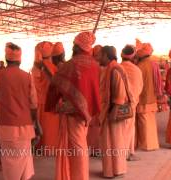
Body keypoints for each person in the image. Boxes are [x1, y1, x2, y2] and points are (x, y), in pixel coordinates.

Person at [45, 32, 100, 180]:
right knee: (80, 144)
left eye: (74, 45)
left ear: (77, 47)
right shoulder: (95, 64)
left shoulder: (70, 64)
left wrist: (53, 104)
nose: (72, 47)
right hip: (87, 111)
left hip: (72, 111)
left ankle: (78, 177)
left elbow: (55, 85)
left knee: (77, 147)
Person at [0, 42, 42, 180]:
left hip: (6, 124)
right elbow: (34, 103)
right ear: (20, 60)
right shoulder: (27, 76)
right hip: (25, 124)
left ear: (6, 59)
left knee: (9, 159)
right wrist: (35, 123)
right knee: (24, 157)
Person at [98, 45, 132, 178]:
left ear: (106, 56)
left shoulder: (115, 69)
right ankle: (112, 170)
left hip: (113, 112)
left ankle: (116, 170)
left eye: (100, 55)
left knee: (115, 142)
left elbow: (120, 92)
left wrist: (114, 111)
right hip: (109, 110)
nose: (98, 57)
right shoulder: (109, 68)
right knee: (109, 143)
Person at [32, 41, 59, 155]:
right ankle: (51, 149)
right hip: (51, 103)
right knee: (51, 129)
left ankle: (40, 148)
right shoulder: (53, 68)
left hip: (39, 102)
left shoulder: (35, 68)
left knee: (41, 127)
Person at [120, 44, 143, 161]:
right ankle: (128, 153)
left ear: (121, 55)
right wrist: (133, 100)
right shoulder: (137, 70)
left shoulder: (117, 68)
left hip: (117, 104)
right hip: (131, 104)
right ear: (133, 57)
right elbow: (139, 87)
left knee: (119, 129)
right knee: (129, 128)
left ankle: (120, 153)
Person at [136, 42, 160, 151]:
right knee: (150, 121)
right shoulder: (154, 64)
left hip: (143, 97)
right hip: (152, 97)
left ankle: (146, 145)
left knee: (143, 121)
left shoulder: (139, 66)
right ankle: (153, 144)